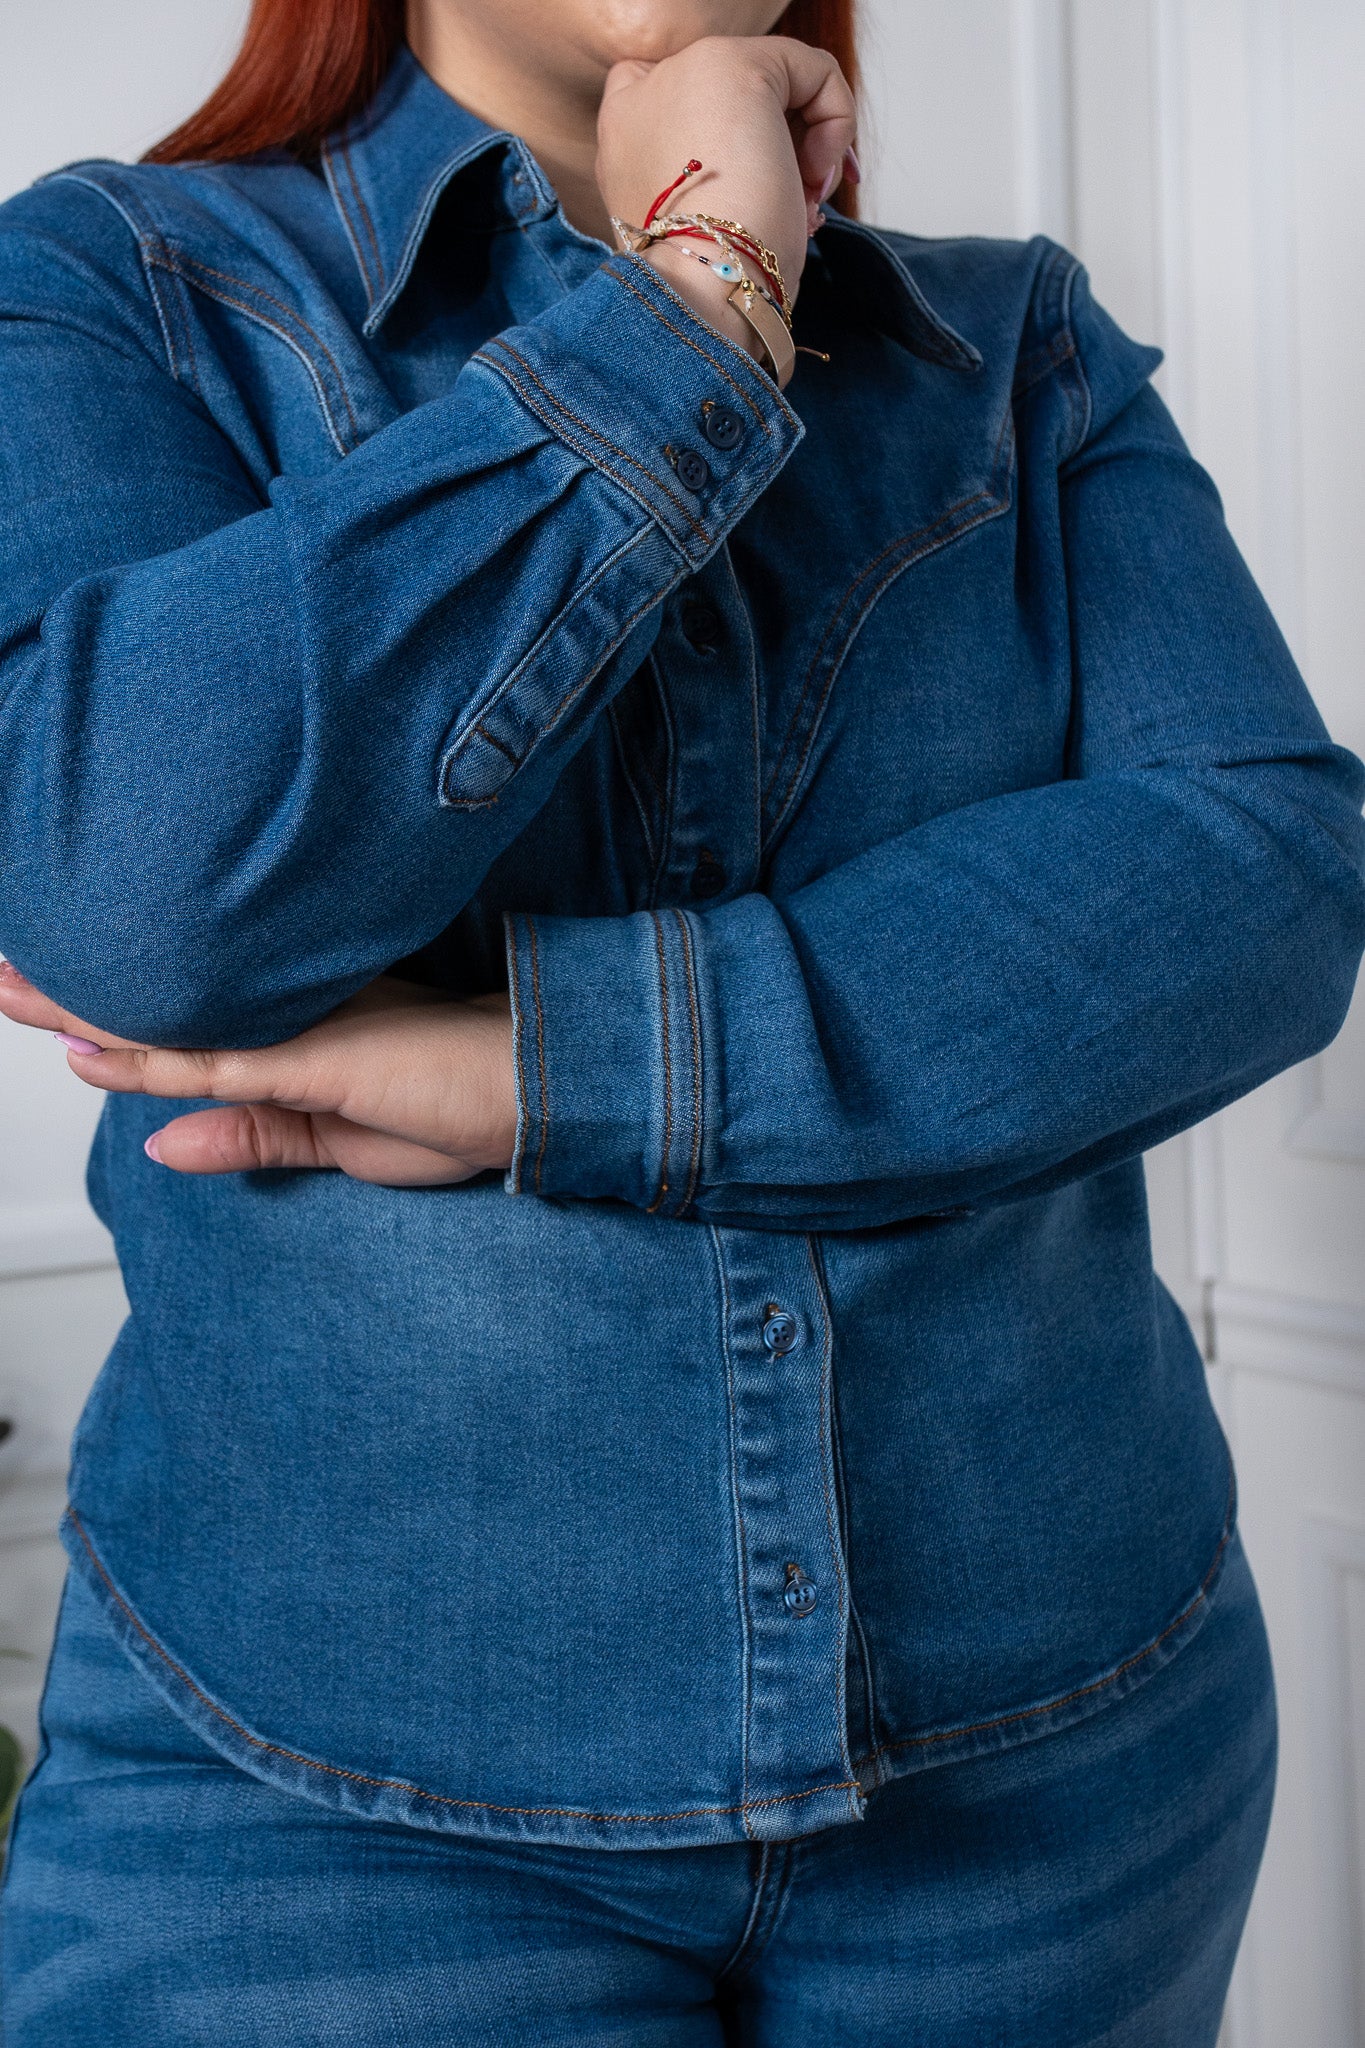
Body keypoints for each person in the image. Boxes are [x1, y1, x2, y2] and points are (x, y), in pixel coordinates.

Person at [0, 0, 1362, 2039]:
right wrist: (697, 307)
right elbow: (140, 898)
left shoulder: (1010, 347)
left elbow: (1263, 883)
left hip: (1062, 1781)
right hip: (323, 1827)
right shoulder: (115, 289)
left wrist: (550, 1064)